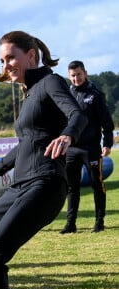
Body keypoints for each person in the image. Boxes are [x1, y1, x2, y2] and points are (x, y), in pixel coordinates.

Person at [0, 30, 88, 289]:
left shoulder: (50, 82)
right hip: (19, 186)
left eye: (10, 58)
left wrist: (67, 135)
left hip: (45, 184)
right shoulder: (29, 94)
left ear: (30, 55)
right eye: (2, 61)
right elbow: (27, 143)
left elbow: (77, 113)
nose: (5, 66)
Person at [60, 60, 114, 234]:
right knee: (71, 187)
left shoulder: (95, 94)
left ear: (85, 73)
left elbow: (107, 122)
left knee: (96, 184)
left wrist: (107, 143)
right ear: (69, 76)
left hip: (91, 149)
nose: (76, 78)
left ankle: (99, 222)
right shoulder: (66, 94)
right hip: (71, 150)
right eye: (73, 76)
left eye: (79, 75)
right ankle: (71, 224)